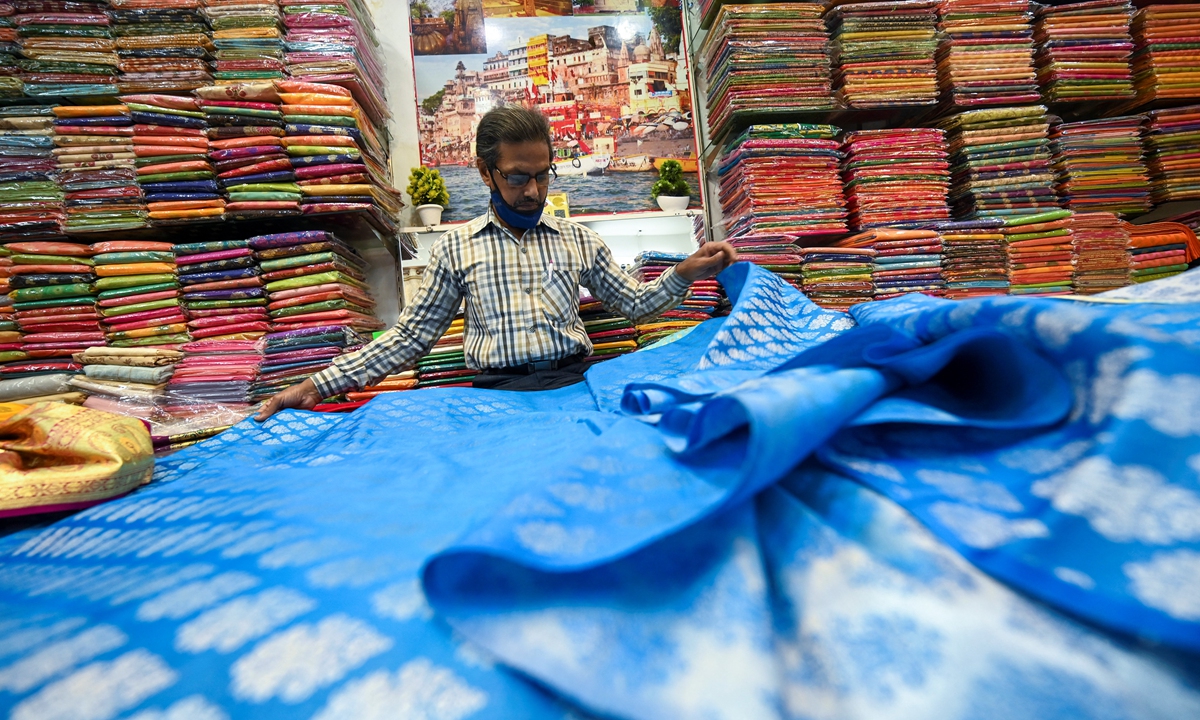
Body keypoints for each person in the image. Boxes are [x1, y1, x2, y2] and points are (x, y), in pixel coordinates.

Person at [255, 105, 736, 421]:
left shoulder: (577, 240)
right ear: (485, 172)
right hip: (496, 399)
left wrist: (683, 272)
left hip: (576, 387)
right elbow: (409, 339)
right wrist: (318, 385)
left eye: (542, 176)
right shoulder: (456, 248)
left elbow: (636, 305)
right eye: (517, 177)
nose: (532, 191)